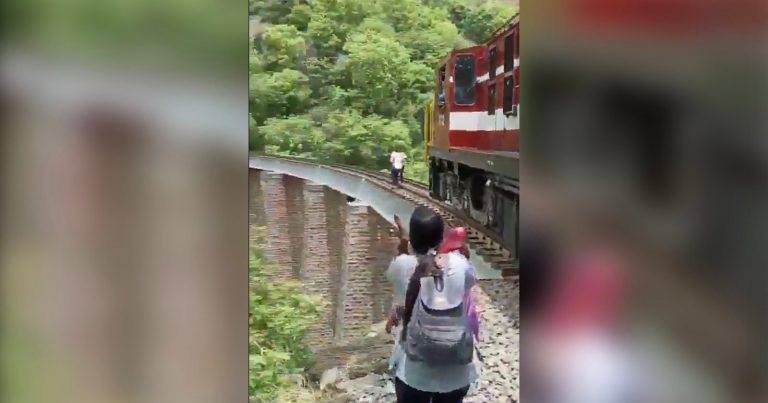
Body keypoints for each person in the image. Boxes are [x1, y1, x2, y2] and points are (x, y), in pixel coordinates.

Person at [385, 208, 478, 403]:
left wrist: (403, 244)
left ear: (413, 240)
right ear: (441, 238)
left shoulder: (402, 265)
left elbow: (399, 289)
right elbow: (469, 283)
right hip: (456, 372)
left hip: (414, 374)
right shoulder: (460, 264)